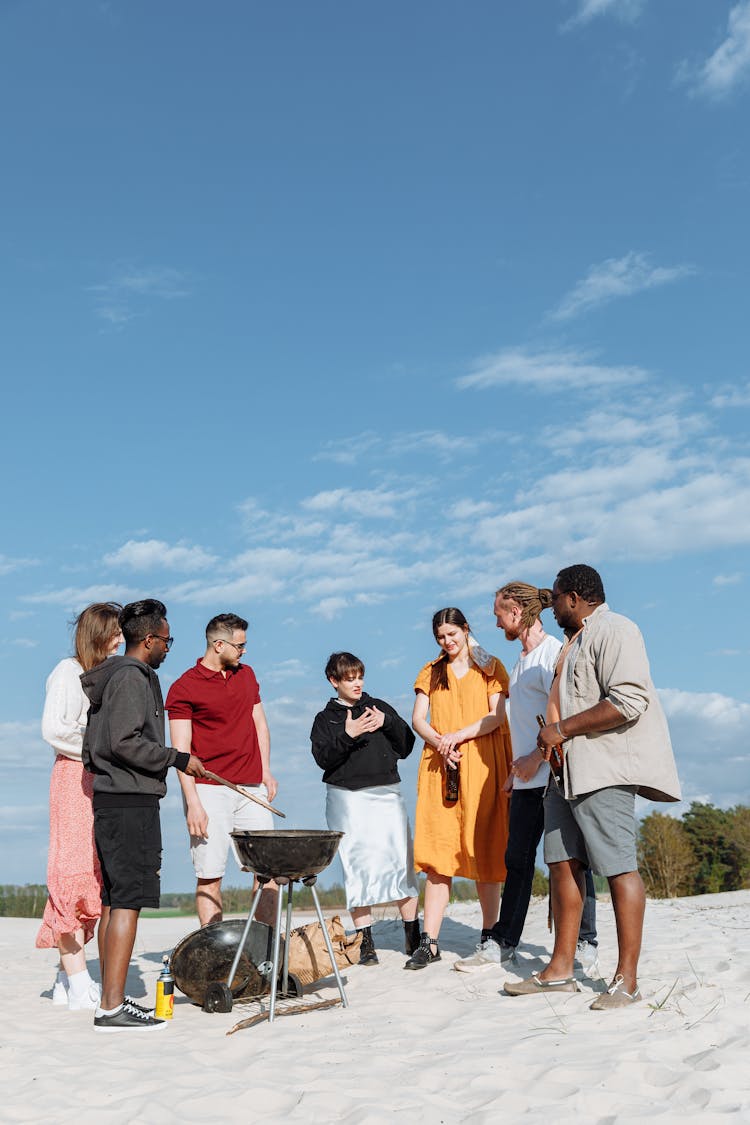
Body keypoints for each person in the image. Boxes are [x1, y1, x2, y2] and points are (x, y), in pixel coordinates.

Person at [504, 565, 681, 1009]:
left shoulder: (617, 630)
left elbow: (629, 700)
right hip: (565, 775)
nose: (554, 604)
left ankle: (627, 981)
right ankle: (560, 971)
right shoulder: (573, 642)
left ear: (575, 597)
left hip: (604, 772)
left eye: (558, 597)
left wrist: (561, 730)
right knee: (563, 865)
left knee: (619, 868)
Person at [456, 582, 599, 975]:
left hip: (553, 776)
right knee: (516, 860)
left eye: (498, 612)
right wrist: (512, 773)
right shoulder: (521, 660)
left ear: (516, 612)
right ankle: (504, 942)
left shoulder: (553, 653)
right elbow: (521, 723)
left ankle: (585, 943)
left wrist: (537, 757)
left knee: (571, 862)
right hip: (524, 781)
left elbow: (564, 716)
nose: (496, 619)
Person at [82, 599, 206, 1032]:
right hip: (129, 802)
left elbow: (99, 746)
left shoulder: (117, 678)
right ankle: (112, 1007)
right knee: (127, 901)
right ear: (149, 640)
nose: (169, 648)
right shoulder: (132, 678)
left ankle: (109, 1001)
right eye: (167, 640)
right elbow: (123, 742)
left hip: (115, 800)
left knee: (115, 901)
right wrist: (177, 757)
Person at [406, 608, 513, 970]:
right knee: (438, 853)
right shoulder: (431, 671)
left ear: (466, 630)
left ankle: (488, 934)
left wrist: (458, 736)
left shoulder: (490, 666)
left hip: (482, 763)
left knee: (485, 849)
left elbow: (497, 716)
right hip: (441, 765)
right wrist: (440, 741)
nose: (447, 642)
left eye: (453, 634)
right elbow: (418, 717)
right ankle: (430, 941)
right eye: (441, 637)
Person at [36, 602, 123, 1010]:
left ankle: (64, 976)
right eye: (115, 633)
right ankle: (78, 981)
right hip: (74, 779)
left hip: (99, 780)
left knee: (93, 874)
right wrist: (98, 749)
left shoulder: (103, 674)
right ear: (97, 634)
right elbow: (54, 729)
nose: (121, 640)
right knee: (71, 874)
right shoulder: (67, 672)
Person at [166, 613, 278, 926]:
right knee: (210, 874)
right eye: (239, 646)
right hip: (209, 791)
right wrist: (193, 804)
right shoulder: (183, 687)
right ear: (218, 645)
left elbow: (260, 724)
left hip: (251, 788)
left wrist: (265, 771)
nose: (244, 651)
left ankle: (261, 949)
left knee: (268, 872)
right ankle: (214, 953)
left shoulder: (247, 674)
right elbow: (181, 752)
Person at [310, 652, 420, 966]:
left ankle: (413, 937)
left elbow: (406, 745)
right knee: (356, 868)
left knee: (401, 862)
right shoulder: (325, 718)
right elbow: (323, 758)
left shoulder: (379, 707)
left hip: (386, 792)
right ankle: (365, 944)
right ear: (334, 681)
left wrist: (388, 722)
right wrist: (349, 734)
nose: (357, 683)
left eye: (360, 676)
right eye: (349, 678)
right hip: (345, 798)